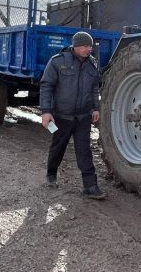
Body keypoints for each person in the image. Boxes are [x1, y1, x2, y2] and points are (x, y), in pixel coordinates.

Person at [40, 31, 106, 199]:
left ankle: (90, 186)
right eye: (84, 46)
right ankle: (51, 173)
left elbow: (94, 89)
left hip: (83, 117)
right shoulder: (58, 62)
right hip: (62, 116)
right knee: (58, 147)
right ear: (75, 45)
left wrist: (95, 108)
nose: (88, 49)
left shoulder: (92, 64)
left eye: (90, 46)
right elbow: (46, 86)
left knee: (84, 150)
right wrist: (46, 112)